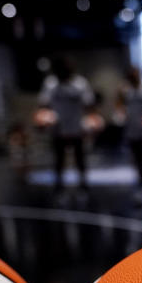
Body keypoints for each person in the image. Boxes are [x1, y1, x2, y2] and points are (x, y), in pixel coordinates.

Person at [38, 57, 94, 193]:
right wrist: (43, 120)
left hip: (76, 127)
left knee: (80, 156)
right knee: (59, 157)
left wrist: (88, 122)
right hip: (58, 127)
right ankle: (59, 182)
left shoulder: (80, 84)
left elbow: (89, 103)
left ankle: (83, 181)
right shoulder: (50, 84)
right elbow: (43, 104)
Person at [120, 67, 142, 191]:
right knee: (136, 158)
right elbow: (120, 106)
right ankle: (141, 181)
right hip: (132, 130)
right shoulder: (126, 91)